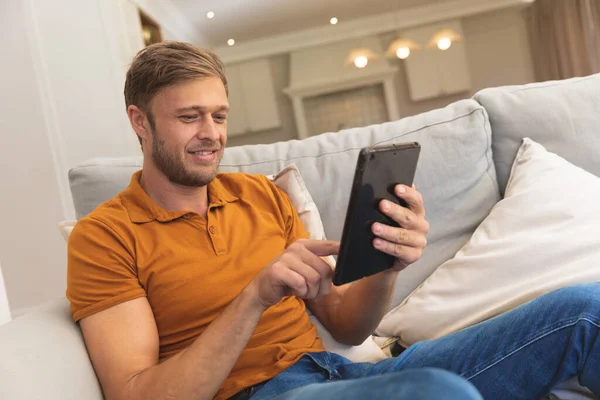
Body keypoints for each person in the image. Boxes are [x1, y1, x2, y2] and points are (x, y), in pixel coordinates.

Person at [67, 41, 600, 400]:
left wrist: (386, 264)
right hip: (263, 395)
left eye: (220, 116)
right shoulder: (104, 237)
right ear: (140, 122)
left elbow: (347, 324)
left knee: (586, 310)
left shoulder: (259, 195)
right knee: (440, 394)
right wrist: (254, 296)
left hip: (341, 376)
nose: (211, 134)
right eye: (189, 118)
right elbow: (138, 393)